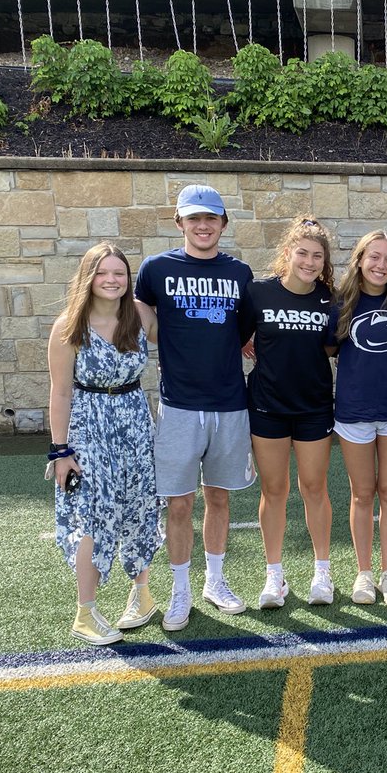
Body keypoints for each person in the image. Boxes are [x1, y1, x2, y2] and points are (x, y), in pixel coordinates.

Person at [133, 184, 256, 631]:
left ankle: (215, 581)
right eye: (194, 218)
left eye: (210, 218)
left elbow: (244, 330)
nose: (203, 226)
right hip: (179, 404)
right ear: (179, 222)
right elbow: (141, 311)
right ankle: (180, 589)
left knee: (219, 497)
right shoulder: (157, 268)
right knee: (179, 504)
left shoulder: (239, 272)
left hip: (229, 402)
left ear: (223, 222)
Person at [48, 243, 160, 645]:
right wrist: (61, 452)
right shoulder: (69, 326)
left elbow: (187, 339)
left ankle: (142, 595)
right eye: (102, 272)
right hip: (89, 428)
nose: (111, 280)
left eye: (118, 273)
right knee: (91, 515)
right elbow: (60, 392)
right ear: (88, 277)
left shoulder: (140, 315)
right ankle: (85, 612)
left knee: (141, 506)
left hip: (135, 423)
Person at [243, 217, 339, 609]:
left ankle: (322, 572)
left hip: (314, 407)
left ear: (324, 261)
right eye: (303, 253)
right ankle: (274, 575)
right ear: (288, 253)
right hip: (267, 406)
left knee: (314, 487)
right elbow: (236, 335)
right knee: (274, 490)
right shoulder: (258, 293)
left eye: (317, 256)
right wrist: (246, 343)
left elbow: (333, 348)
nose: (309, 262)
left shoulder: (330, 300)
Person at [330, 230, 387, 606]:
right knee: (362, 494)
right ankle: (363, 573)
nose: (381, 265)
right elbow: (328, 348)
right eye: (374, 257)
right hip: (354, 413)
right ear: (360, 259)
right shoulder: (341, 301)